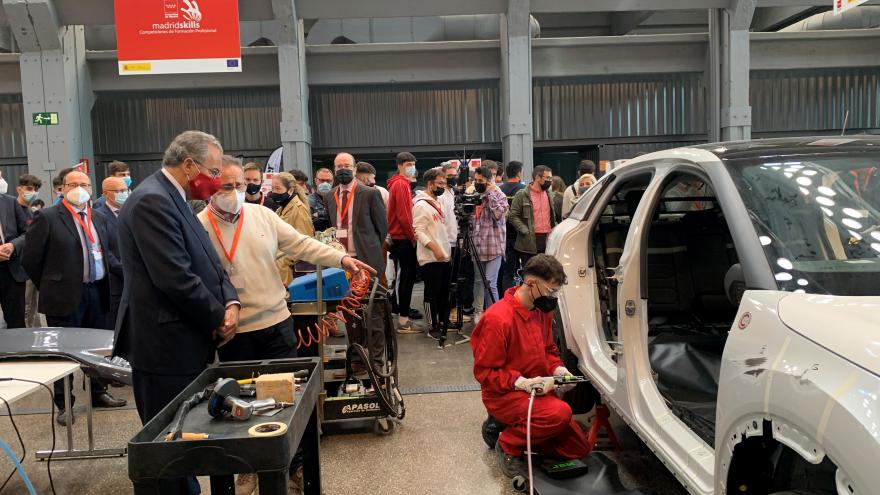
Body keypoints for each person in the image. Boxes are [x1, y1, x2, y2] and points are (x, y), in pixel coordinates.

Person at [113, 131, 237, 495]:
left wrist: (230, 302)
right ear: (188, 165)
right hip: (164, 346)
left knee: (184, 444)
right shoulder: (152, 201)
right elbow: (175, 278)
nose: (217, 183)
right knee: (169, 450)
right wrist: (217, 317)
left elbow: (210, 262)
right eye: (213, 173)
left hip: (184, 340)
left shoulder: (175, 198)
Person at [22, 170, 126, 426]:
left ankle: (98, 392)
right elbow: (31, 259)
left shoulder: (99, 217)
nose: (79, 188)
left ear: (91, 189)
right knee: (63, 353)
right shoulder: (47, 217)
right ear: (63, 188)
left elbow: (106, 252)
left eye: (84, 184)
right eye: (74, 184)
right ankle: (63, 402)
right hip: (63, 296)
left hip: (97, 291)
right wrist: (50, 284)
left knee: (96, 350)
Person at [471, 254, 588, 477]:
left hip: (537, 390)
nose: (553, 297)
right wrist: (521, 382)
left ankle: (510, 427)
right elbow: (485, 372)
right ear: (532, 284)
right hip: (504, 393)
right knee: (560, 414)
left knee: (577, 448)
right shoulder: (498, 319)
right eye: (551, 291)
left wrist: (558, 370)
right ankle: (507, 444)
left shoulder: (541, 311)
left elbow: (548, 351)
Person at [324, 152, 389, 362]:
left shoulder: (369, 194)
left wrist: (370, 252)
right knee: (350, 314)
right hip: (342, 265)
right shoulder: (330, 196)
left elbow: (382, 229)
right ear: (335, 170)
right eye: (339, 166)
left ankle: (378, 360)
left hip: (366, 263)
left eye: (347, 166)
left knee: (373, 313)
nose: (343, 169)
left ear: (354, 169)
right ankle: (358, 358)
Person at [386, 151, 424, 333]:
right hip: (403, 237)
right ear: (400, 165)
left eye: (413, 164)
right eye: (408, 164)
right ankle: (403, 320)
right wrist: (413, 237)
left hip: (399, 236)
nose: (411, 167)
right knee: (406, 279)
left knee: (405, 277)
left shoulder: (398, 184)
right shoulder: (400, 185)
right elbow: (404, 216)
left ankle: (402, 315)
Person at [412, 168, 451, 340]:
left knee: (444, 291)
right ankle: (432, 325)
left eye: (444, 183)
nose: (443, 187)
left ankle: (442, 320)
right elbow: (418, 231)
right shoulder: (421, 205)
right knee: (431, 293)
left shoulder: (438, 202)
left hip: (444, 255)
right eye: (440, 184)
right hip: (430, 257)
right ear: (430, 184)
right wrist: (434, 248)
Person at [93, 176, 129, 332]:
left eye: (125, 190)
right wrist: (125, 271)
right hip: (114, 281)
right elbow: (103, 250)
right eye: (119, 191)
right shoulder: (98, 216)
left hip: (134, 280)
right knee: (113, 325)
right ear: (106, 194)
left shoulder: (131, 212)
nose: (123, 194)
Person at [472, 166, 508, 311]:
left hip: (494, 246)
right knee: (479, 281)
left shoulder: (500, 195)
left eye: (481, 180)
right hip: (478, 245)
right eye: (475, 180)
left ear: (489, 181)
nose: (477, 183)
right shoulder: (474, 195)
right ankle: (479, 312)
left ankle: (494, 313)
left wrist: (491, 193)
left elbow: (498, 214)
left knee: (490, 282)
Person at [510, 165, 558, 268]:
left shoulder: (549, 194)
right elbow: (513, 215)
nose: (550, 181)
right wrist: (525, 230)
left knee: (546, 273)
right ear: (537, 178)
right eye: (547, 178)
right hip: (529, 241)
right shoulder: (522, 195)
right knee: (530, 273)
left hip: (548, 239)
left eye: (551, 178)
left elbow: (553, 216)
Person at [270, 171, 313, 286]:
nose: (274, 192)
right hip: (279, 267)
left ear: (290, 190)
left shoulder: (298, 209)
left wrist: (283, 260)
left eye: (278, 188)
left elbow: (305, 241)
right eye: (272, 188)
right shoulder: (281, 209)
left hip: (290, 271)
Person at [0, 178, 30, 330]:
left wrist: (13, 245)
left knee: (16, 323)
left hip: (12, 271)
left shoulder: (10, 202)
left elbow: (27, 232)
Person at [16, 175, 42, 326]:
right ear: (19, 189)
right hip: (18, 267)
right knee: (23, 307)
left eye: (36, 190)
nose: (33, 192)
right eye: (29, 189)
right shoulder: (11, 210)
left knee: (33, 306)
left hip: (32, 268)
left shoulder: (32, 212)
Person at [499, 161, 527, 294]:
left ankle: (506, 299)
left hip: (504, 236)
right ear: (519, 172)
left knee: (507, 271)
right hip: (520, 235)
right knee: (525, 269)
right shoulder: (523, 189)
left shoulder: (500, 189)